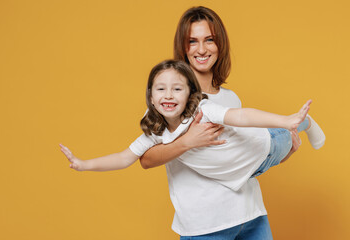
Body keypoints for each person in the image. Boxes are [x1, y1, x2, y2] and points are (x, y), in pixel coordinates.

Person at [137, 6, 325, 239]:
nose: (202, 49)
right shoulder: (170, 99)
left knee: (275, 138)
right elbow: (145, 158)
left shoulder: (230, 98)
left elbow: (242, 159)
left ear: (220, 45)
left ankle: (302, 124)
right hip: (205, 225)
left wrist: (286, 152)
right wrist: (187, 141)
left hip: (251, 215)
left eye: (209, 40)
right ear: (183, 48)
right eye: (192, 41)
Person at [60, 59, 324, 192]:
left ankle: (305, 123)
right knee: (282, 138)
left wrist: (286, 120)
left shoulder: (203, 110)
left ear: (189, 93)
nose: (168, 95)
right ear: (151, 96)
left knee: (285, 134)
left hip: (265, 149)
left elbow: (241, 116)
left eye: (177, 89)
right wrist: (84, 165)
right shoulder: (155, 132)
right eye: (161, 89)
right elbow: (124, 158)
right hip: (247, 174)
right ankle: (295, 126)